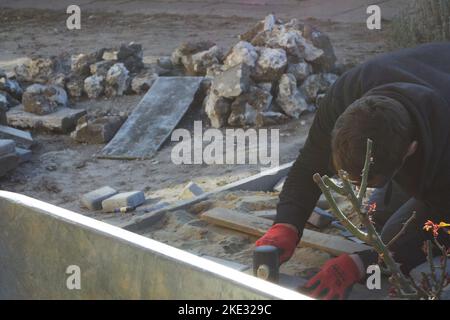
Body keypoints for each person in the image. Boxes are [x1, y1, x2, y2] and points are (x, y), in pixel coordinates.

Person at [255, 42, 450, 300]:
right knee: (377, 214)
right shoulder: (347, 95)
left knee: (397, 237)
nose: (359, 188)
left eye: (370, 181)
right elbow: (309, 165)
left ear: (409, 150)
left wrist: (363, 263)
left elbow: (442, 224)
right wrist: (287, 222)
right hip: (429, 101)